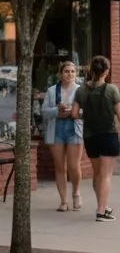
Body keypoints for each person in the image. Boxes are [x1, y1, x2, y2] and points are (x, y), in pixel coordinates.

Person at [71, 55, 120, 222]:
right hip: (108, 135)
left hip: (90, 136)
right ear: (106, 71)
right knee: (106, 175)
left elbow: (74, 114)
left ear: (91, 70)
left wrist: (87, 115)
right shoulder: (112, 90)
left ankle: (103, 205)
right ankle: (100, 212)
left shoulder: (81, 90)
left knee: (97, 174)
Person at [41, 61, 83, 212]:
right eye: (67, 71)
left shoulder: (80, 90)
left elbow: (87, 111)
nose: (70, 74)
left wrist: (73, 111)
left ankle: (76, 192)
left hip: (74, 129)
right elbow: (44, 111)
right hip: (56, 130)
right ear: (60, 74)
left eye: (72, 71)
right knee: (60, 167)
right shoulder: (52, 91)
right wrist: (56, 111)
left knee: (73, 166)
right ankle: (63, 201)